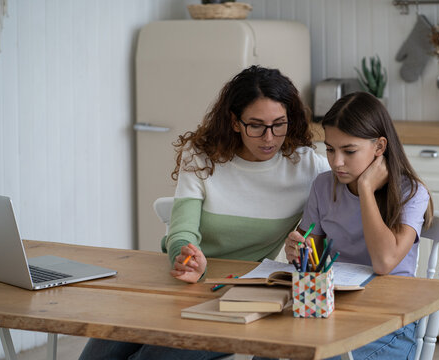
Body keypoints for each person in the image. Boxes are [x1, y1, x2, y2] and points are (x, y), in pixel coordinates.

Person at [79, 65, 329, 360]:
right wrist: (184, 257)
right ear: (235, 122)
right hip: (180, 281)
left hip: (238, 294)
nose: (269, 137)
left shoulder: (309, 167)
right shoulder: (203, 157)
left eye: (279, 123)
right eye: (256, 125)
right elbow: (182, 230)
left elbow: (346, 206)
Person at [284, 91, 433, 360]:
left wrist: (365, 188)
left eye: (349, 151)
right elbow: (313, 261)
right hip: (336, 311)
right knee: (273, 350)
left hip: (391, 321)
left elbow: (384, 262)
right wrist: (298, 251)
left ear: (379, 147)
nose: (336, 162)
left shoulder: (411, 192)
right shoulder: (323, 186)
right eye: (330, 149)